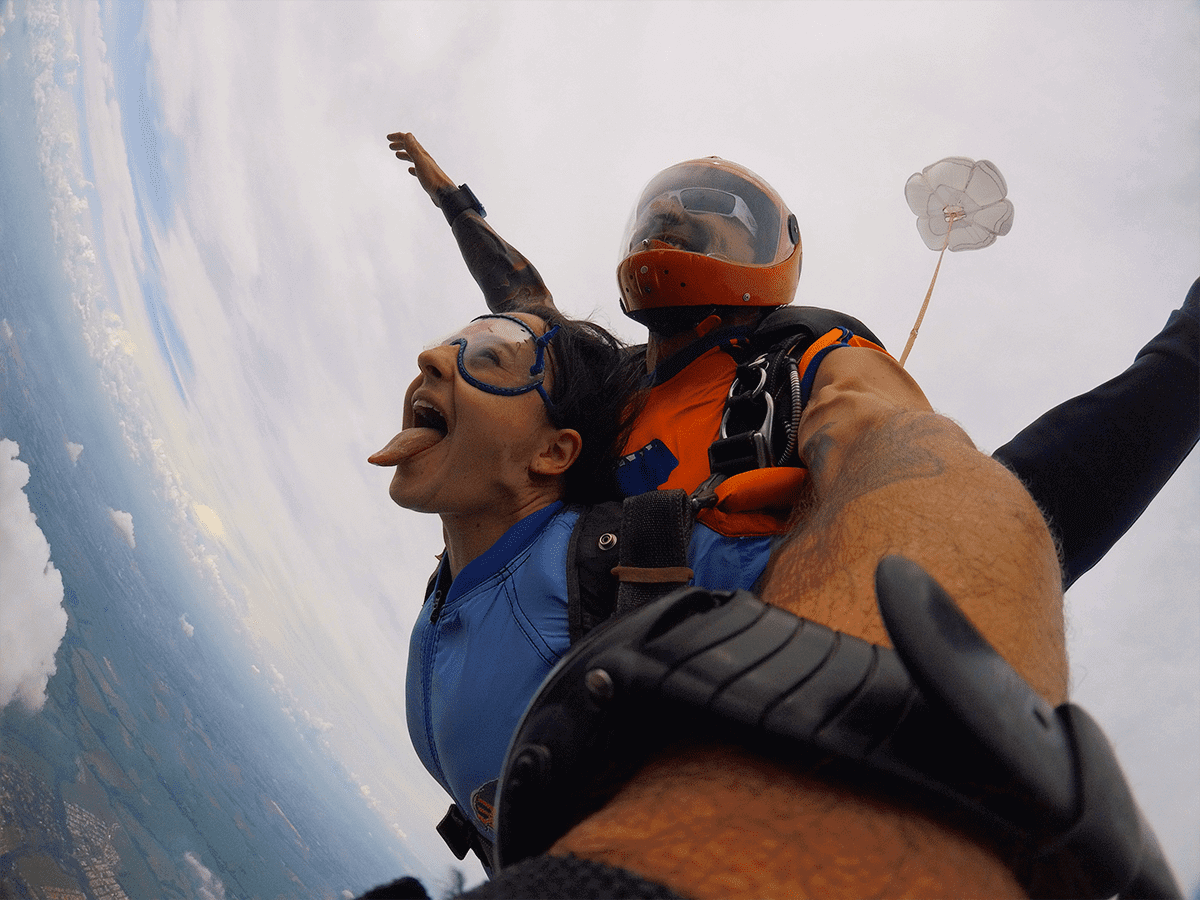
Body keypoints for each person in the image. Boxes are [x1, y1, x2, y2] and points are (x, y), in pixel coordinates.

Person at [385, 131, 1198, 588]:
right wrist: (457, 203)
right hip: (545, 743)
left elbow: (945, 496)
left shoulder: (803, 364)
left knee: (980, 537)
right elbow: (529, 309)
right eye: (663, 212)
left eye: (710, 217)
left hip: (694, 737)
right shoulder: (614, 387)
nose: (675, 222)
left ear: (773, 255)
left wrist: (1184, 366)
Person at [368, 307, 780, 863]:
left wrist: (847, 398)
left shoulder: (627, 566)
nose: (431, 358)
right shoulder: (458, 576)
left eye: (488, 359)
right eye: (451, 344)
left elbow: (844, 575)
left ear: (553, 453)